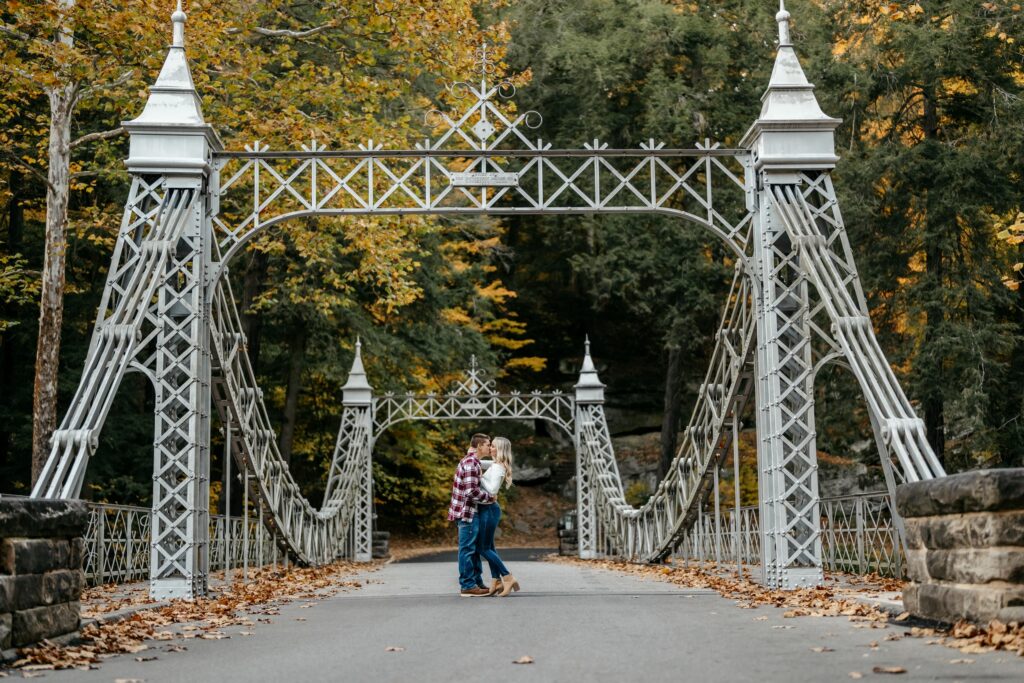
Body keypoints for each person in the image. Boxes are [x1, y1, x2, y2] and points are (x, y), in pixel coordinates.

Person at [447, 433, 494, 596]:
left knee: (472, 550)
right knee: (467, 549)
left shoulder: (474, 461)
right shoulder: (471, 463)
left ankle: (476, 582)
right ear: (480, 445)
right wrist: (490, 498)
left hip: (470, 512)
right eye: (488, 444)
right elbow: (470, 492)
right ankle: (467, 585)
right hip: (466, 513)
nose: (490, 446)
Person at [477, 436, 520, 597]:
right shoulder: (495, 464)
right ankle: (496, 580)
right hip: (488, 509)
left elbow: (492, 490)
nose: (490, 448)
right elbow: (478, 463)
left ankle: (507, 576)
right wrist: (472, 456)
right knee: (490, 547)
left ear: (499, 449)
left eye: (493, 446)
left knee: (483, 548)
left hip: (489, 510)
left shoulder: (498, 467)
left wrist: (479, 478)